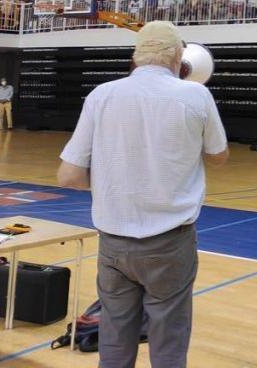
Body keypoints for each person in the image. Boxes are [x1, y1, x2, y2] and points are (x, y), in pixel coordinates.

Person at [57, 21, 228, 368]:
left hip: (113, 243)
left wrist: (114, 181)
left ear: (135, 57)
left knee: (115, 338)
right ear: (178, 56)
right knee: (169, 341)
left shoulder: (101, 95)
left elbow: (68, 175)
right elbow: (218, 156)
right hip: (171, 243)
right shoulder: (196, 95)